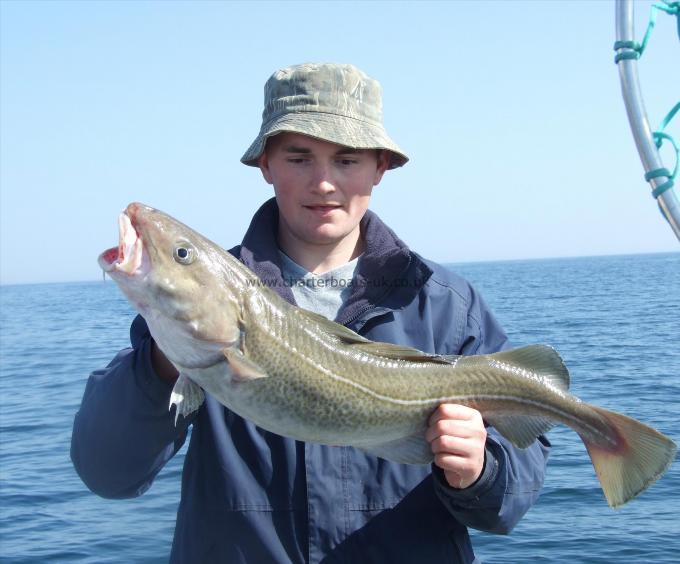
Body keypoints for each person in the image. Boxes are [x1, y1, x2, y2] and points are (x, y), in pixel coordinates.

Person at [71, 62, 550, 563]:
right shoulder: (180, 326)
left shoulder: (447, 305)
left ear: (380, 167)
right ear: (266, 165)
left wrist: (480, 470)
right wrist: (163, 364)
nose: (323, 182)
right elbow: (109, 472)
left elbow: (510, 500)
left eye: (347, 160)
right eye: (299, 158)